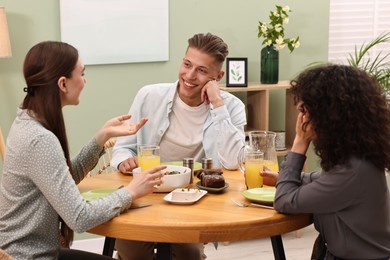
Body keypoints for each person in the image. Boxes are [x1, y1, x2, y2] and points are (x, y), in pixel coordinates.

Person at [0, 41, 167, 260]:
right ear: (63, 83)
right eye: (82, 73)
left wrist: (101, 137)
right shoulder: (40, 139)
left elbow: (64, 180)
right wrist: (131, 191)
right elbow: (80, 217)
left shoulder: (27, 119)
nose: (85, 80)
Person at [111, 33, 247, 260]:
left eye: (202, 70)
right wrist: (124, 160)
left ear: (218, 76)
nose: (190, 76)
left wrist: (217, 103)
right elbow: (123, 148)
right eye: (187, 65)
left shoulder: (231, 107)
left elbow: (234, 162)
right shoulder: (148, 96)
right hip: (145, 198)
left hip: (194, 204)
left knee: (189, 254)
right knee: (130, 250)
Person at [273, 64, 390, 259]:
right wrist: (282, 177)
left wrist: (300, 142)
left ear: (330, 115)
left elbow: (284, 200)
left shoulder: (353, 169)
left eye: (304, 111)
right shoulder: (356, 156)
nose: (300, 118)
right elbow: (320, 180)